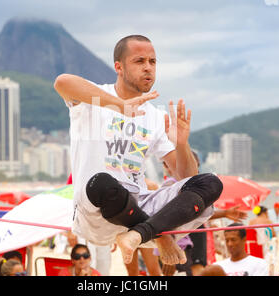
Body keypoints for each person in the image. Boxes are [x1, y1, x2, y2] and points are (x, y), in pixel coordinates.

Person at [54, 34, 223, 266]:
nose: (148, 68)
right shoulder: (93, 97)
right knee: (102, 182)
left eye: (152, 62)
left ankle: (140, 233)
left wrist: (182, 144)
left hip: (139, 209)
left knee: (210, 182)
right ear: (119, 67)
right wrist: (120, 106)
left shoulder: (155, 116)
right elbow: (62, 82)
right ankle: (157, 236)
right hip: (96, 211)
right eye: (139, 61)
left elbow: (186, 177)